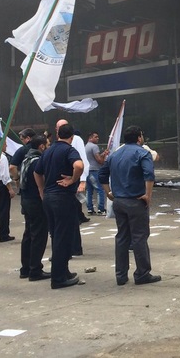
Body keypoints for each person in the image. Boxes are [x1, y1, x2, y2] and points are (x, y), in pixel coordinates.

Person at [99, 126, 161, 286]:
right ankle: (142, 273)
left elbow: (102, 174)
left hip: (118, 201)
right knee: (139, 237)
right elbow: (149, 174)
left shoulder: (115, 154)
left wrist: (108, 192)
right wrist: (148, 195)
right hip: (136, 200)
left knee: (122, 237)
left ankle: (121, 274)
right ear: (139, 138)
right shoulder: (142, 153)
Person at [34, 123, 84, 289]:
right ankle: (59, 278)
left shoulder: (48, 151)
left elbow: (37, 172)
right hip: (62, 197)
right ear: (72, 137)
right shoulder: (69, 150)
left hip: (48, 197)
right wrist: (72, 179)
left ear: (57, 135)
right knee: (64, 237)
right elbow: (79, 165)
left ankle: (64, 270)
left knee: (56, 235)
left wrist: (42, 191)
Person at [19, 135, 50, 282]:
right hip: (36, 201)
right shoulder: (38, 161)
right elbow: (42, 180)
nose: (48, 147)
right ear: (42, 146)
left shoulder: (26, 159)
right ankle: (35, 269)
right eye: (47, 144)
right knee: (39, 235)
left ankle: (25, 268)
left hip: (25, 200)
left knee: (28, 234)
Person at [56, 119, 89, 257]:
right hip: (58, 188)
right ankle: (65, 247)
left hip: (71, 184)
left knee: (73, 218)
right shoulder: (54, 146)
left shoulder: (76, 140)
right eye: (58, 127)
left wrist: (80, 181)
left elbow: (82, 162)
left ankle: (74, 247)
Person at [85, 131, 108, 215]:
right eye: (96, 137)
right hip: (95, 170)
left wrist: (103, 154)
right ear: (90, 138)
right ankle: (101, 209)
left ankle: (90, 209)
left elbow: (92, 158)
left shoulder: (86, 146)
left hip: (87, 171)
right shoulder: (94, 147)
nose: (98, 138)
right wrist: (104, 158)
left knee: (89, 190)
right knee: (100, 189)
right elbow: (98, 160)